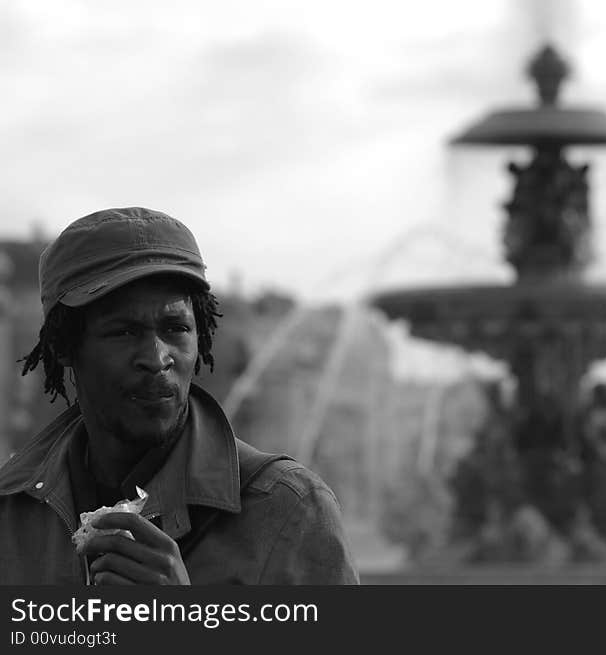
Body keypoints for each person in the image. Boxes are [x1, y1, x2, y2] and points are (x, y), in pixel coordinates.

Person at [0, 207, 360, 585]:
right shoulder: (12, 514)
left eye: (175, 328)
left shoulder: (289, 510)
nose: (157, 359)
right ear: (62, 347)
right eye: (123, 332)